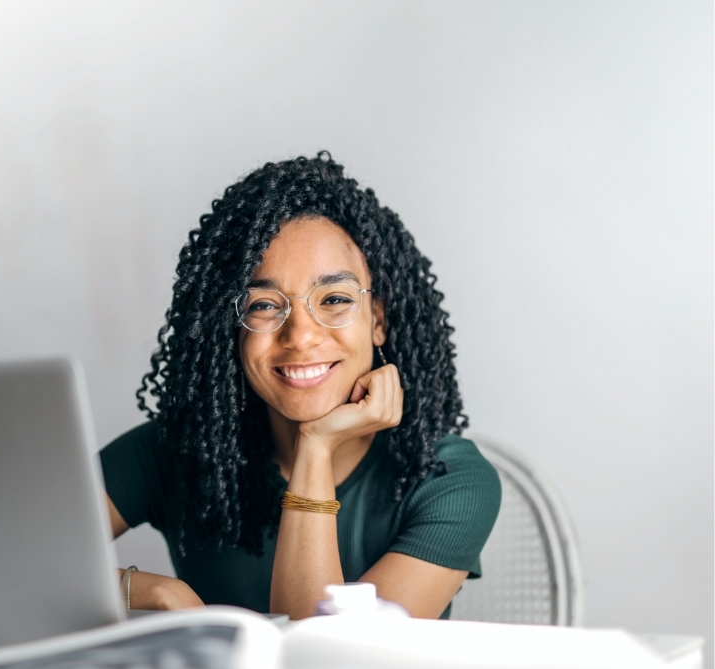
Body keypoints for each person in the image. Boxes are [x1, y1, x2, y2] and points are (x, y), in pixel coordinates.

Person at [101, 152, 501, 620]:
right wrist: (152, 592)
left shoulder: (448, 479)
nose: (302, 335)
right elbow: (5, 560)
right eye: (265, 306)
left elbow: (327, 665)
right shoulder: (176, 450)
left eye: (334, 299)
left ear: (378, 320)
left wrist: (316, 446)